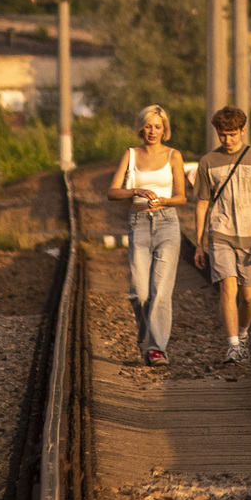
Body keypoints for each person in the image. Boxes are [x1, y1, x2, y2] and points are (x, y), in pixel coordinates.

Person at [191, 106, 251, 364]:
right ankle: (233, 346)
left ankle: (243, 333)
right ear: (216, 132)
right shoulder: (208, 162)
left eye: (232, 134)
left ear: (242, 130)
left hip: (250, 236)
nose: (227, 140)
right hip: (220, 234)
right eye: (222, 135)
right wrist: (199, 244)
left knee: (249, 297)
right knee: (228, 287)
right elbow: (202, 203)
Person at [106, 105, 186, 366]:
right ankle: (146, 333)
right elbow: (112, 192)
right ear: (142, 128)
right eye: (149, 126)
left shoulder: (174, 156)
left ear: (165, 130)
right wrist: (135, 191)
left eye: (158, 127)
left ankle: (156, 348)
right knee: (139, 292)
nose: (153, 131)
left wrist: (165, 200)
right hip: (139, 222)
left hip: (167, 224)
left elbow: (182, 197)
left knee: (160, 291)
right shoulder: (130, 154)